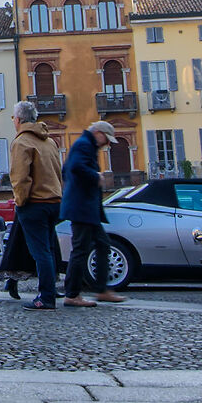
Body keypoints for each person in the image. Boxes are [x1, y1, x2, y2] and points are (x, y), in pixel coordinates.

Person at [61, 121, 127, 307]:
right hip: (82, 207)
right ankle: (72, 294)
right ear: (98, 133)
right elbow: (75, 167)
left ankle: (101, 289)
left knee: (102, 244)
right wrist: (95, 176)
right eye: (106, 138)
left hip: (84, 207)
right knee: (81, 249)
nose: (107, 143)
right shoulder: (84, 145)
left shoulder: (84, 144)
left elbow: (66, 170)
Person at [6, 102, 64, 309]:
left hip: (35, 203)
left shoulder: (22, 142)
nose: (13, 121)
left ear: (19, 120)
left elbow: (21, 177)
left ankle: (46, 297)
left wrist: (20, 202)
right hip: (54, 201)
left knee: (41, 252)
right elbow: (58, 172)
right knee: (47, 249)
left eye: (13, 118)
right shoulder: (49, 142)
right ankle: (48, 291)